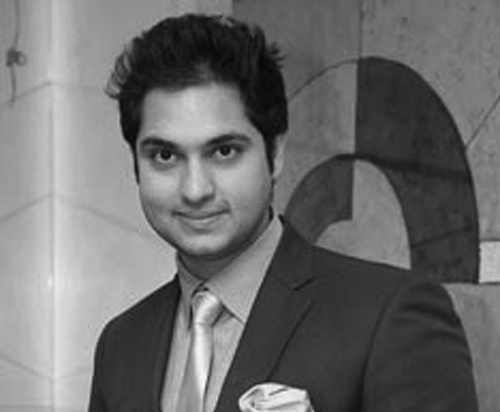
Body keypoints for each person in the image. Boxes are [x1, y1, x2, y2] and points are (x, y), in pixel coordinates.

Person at [88, 13, 478, 412]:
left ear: (275, 154)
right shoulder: (121, 345)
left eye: (224, 151)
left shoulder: (389, 317)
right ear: (136, 165)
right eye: (165, 156)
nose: (195, 190)